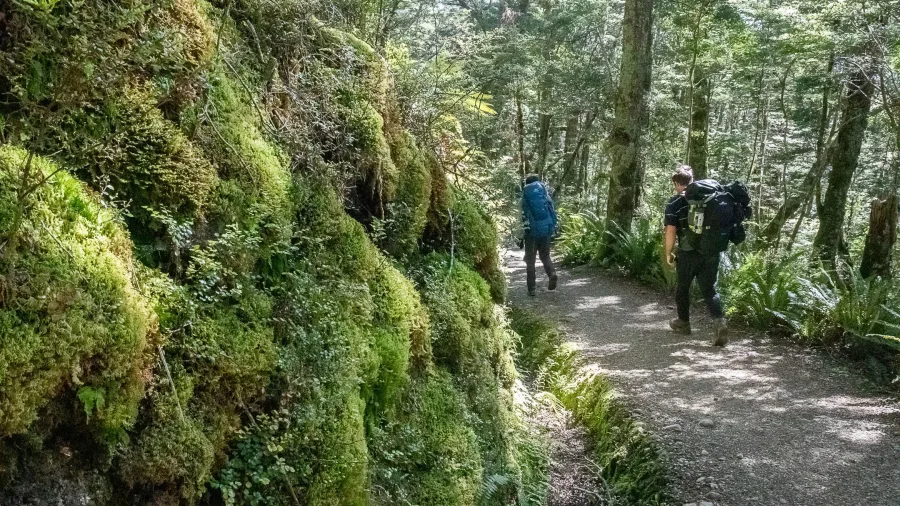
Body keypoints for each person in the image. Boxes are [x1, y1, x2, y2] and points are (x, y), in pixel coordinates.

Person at [664, 165, 728, 345]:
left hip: (687, 253)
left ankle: (683, 323)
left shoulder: (674, 203)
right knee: (710, 290)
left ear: (677, 183)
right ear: (692, 181)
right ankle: (719, 322)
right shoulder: (710, 199)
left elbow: (670, 231)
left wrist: (668, 253)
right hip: (711, 251)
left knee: (683, 288)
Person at [521, 174, 558, 296]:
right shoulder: (545, 196)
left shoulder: (525, 197)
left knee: (530, 261)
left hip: (532, 232)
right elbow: (552, 212)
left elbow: (521, 217)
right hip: (546, 230)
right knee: (545, 256)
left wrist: (520, 236)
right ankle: (552, 273)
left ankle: (531, 289)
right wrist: (552, 228)